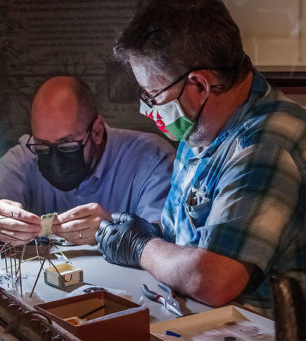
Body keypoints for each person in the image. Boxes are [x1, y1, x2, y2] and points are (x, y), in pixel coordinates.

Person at [97, 0, 306, 315]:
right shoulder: (203, 126)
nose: (147, 108)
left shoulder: (267, 142)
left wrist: (142, 248)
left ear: (199, 85)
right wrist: (151, 234)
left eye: (152, 96)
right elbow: (183, 241)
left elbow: (216, 279)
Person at [0, 76, 175, 245]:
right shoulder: (28, 153)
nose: (54, 159)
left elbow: (167, 241)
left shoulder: (151, 159)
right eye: (43, 146)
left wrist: (114, 227)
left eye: (67, 146)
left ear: (97, 131)